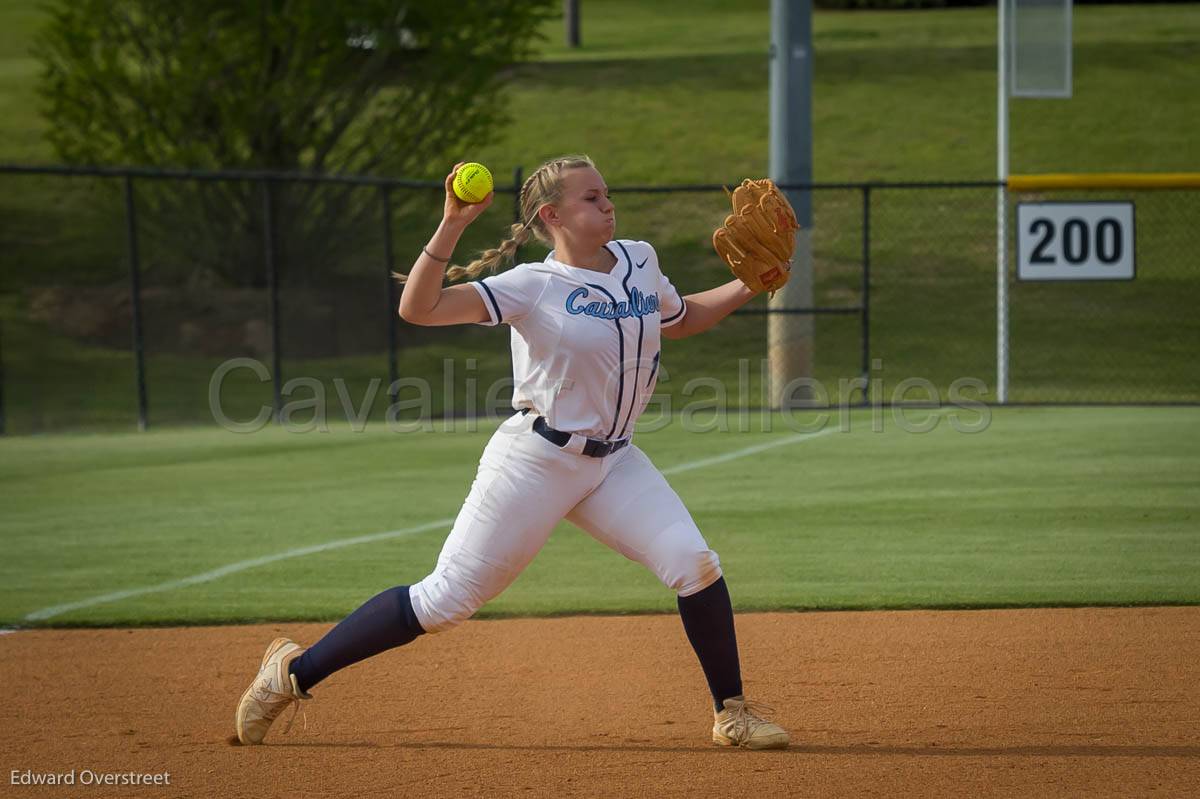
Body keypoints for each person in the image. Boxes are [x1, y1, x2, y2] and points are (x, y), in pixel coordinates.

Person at [235, 155, 789, 750]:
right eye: (590, 199)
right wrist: (452, 223)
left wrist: (749, 285)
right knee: (445, 600)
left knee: (694, 563)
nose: (607, 205)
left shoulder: (640, 260)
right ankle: (291, 674)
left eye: (606, 194)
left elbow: (679, 320)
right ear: (552, 215)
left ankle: (731, 712)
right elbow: (418, 308)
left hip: (614, 461)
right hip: (538, 459)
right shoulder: (532, 285)